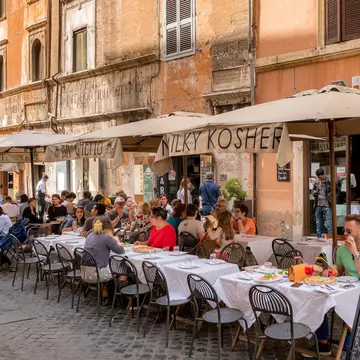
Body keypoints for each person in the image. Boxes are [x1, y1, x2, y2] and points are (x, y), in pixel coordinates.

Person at [84, 216, 125, 282]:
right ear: (109, 226)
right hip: (98, 273)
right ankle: (120, 288)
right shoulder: (106, 237)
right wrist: (117, 241)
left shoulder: (90, 235)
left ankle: (105, 290)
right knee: (123, 266)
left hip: (85, 272)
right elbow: (121, 251)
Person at [312, 168, 332, 238]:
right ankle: (319, 238)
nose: (319, 178)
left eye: (320, 177)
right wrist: (314, 193)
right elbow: (313, 190)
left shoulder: (329, 181)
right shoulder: (317, 182)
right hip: (318, 205)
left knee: (329, 224)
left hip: (327, 205)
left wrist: (331, 197)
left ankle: (330, 238)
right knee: (318, 223)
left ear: (323, 175)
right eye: (318, 177)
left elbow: (335, 191)